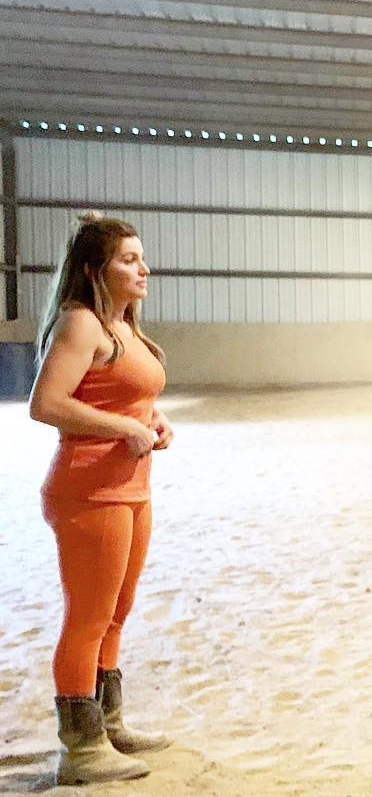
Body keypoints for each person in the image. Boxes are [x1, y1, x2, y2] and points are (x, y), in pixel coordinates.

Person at [28, 211, 173, 785]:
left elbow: (125, 398)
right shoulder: (81, 323)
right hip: (89, 489)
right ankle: (81, 748)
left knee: (116, 612)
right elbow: (46, 403)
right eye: (128, 259)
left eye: (141, 257)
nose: (143, 268)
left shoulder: (124, 326)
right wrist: (123, 430)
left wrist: (153, 421)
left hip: (131, 488)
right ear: (96, 269)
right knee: (87, 619)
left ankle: (108, 723)